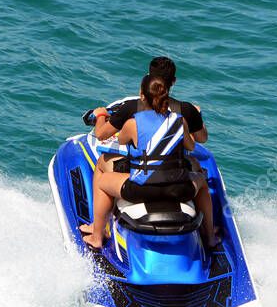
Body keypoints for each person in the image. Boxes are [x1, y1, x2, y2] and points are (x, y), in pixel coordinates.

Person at [79, 75, 219, 251]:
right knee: (202, 182)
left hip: (141, 190)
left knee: (102, 182)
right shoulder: (181, 121)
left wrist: (101, 117)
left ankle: (97, 236)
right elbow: (191, 144)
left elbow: (122, 140)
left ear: (142, 97)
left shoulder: (132, 123)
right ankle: (210, 237)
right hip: (179, 189)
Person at [90, 57, 207, 178]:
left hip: (141, 172)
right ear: (173, 81)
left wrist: (101, 114)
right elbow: (202, 138)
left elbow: (101, 135)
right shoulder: (186, 110)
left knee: (102, 161)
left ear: (148, 79)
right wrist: (196, 116)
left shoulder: (131, 108)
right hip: (174, 172)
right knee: (194, 163)